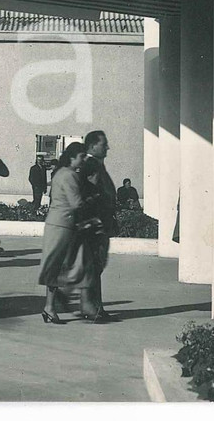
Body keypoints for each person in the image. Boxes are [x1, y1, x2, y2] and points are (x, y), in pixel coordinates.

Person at [38, 142, 90, 323]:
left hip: (56, 223)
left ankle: (50, 307)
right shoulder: (69, 175)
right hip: (63, 225)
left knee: (55, 267)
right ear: (72, 157)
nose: (83, 160)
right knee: (62, 266)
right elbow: (76, 203)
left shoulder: (59, 173)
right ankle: (51, 306)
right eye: (81, 157)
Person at [80, 130, 119, 322]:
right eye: (104, 144)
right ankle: (91, 308)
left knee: (97, 265)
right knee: (94, 265)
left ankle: (96, 307)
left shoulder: (96, 164)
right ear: (92, 146)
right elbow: (86, 192)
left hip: (101, 223)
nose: (107, 148)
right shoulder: (88, 165)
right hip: (95, 224)